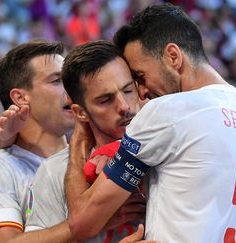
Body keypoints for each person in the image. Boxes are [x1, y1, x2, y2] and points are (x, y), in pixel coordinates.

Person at [64, 3, 236, 242]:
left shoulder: (166, 111)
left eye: (140, 76)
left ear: (173, 56)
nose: (143, 92)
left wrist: (77, 144)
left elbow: (82, 222)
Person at [24, 40, 145, 242]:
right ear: (80, 113)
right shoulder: (54, 171)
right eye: (105, 100)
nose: (124, 106)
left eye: (127, 90)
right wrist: (96, 221)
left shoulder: (166, 147)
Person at [0, 40, 74, 243]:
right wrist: (84, 225)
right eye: (56, 81)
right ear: (20, 98)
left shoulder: (92, 155)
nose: (71, 88)